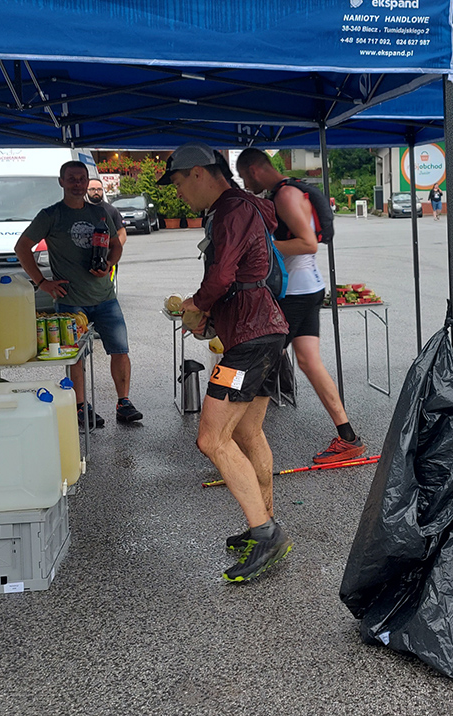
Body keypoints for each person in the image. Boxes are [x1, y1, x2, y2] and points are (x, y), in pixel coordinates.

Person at [160, 142, 293, 583]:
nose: (178, 193)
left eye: (178, 183)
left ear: (199, 172)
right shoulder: (241, 207)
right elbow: (239, 278)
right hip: (264, 332)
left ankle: (266, 533)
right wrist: (211, 316)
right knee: (248, 432)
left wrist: (197, 305)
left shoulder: (232, 209)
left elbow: (220, 277)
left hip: (251, 341)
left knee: (211, 439)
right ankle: (264, 522)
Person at [235, 148, 366, 465]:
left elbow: (308, 243)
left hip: (295, 292)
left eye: (243, 177)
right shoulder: (289, 189)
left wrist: (262, 245)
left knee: (262, 360)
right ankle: (348, 437)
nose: (245, 184)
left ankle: (241, 444)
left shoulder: (285, 195)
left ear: (254, 170)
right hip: (308, 288)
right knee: (308, 361)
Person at [15, 161, 142, 427]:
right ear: (61, 182)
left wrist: (109, 263)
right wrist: (42, 282)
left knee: (120, 350)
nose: (77, 183)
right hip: (70, 300)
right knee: (75, 357)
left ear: (87, 182)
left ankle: (124, 403)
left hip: (105, 296)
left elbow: (116, 245)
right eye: (71, 178)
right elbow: (22, 247)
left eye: (81, 179)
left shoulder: (100, 212)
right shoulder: (51, 215)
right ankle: (80, 406)